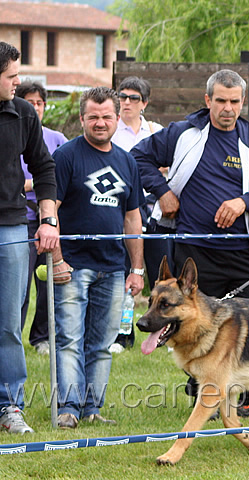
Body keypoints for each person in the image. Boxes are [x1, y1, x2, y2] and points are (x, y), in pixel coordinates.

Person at [132, 69, 249, 419]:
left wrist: (244, 202)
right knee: (195, 329)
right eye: (220, 101)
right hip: (196, 253)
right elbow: (138, 158)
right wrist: (163, 192)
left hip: (245, 252)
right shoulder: (183, 133)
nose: (227, 108)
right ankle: (202, 399)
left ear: (243, 102)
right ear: (207, 100)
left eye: (235, 102)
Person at [52, 86, 145, 429]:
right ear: (82, 119)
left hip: (113, 267)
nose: (101, 122)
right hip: (73, 266)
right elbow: (53, 211)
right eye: (93, 116)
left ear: (118, 119)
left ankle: (92, 409)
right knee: (70, 340)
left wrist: (136, 268)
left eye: (107, 116)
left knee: (103, 344)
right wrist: (58, 258)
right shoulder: (67, 156)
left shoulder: (126, 161)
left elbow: (132, 217)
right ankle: (68, 408)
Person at [0, 41, 59, 434]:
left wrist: (48, 219)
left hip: (11, 229)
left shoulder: (22, 113)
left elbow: (44, 166)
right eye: (10, 77)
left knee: (7, 325)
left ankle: (9, 406)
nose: (18, 83)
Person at [110, 76, 165, 353]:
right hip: (121, 207)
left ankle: (162, 329)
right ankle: (123, 332)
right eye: (122, 96)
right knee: (125, 272)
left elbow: (168, 168)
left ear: (144, 102)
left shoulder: (156, 132)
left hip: (151, 209)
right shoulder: (110, 130)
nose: (126, 102)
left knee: (157, 271)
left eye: (133, 98)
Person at [15, 81, 67, 355]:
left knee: (47, 284)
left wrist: (35, 184)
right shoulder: (14, 132)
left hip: (49, 218)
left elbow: (62, 177)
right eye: (30, 102)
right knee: (19, 284)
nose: (35, 108)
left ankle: (42, 338)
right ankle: (14, 335)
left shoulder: (57, 138)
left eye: (39, 103)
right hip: (20, 220)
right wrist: (37, 183)